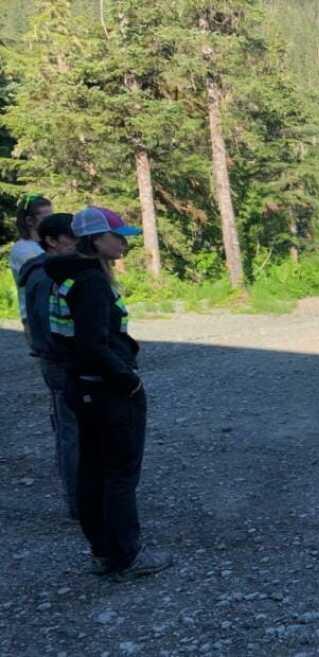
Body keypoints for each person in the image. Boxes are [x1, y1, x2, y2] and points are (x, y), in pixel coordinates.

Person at [46, 206, 172, 581]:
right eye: (118, 236)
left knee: (94, 471)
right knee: (119, 475)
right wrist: (127, 379)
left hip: (82, 387)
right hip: (107, 392)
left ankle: (103, 552)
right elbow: (92, 343)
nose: (123, 243)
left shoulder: (66, 275)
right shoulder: (92, 282)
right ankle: (127, 556)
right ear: (97, 240)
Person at [18, 213, 80, 519]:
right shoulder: (45, 276)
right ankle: (79, 503)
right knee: (71, 433)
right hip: (61, 366)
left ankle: (83, 499)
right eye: (72, 237)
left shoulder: (48, 272)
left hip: (60, 363)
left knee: (72, 430)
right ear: (52, 241)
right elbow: (49, 327)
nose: (79, 243)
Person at [10, 193, 53, 343]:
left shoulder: (46, 245)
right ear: (29, 221)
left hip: (51, 313)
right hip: (34, 317)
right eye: (46, 218)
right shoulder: (22, 250)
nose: (51, 222)